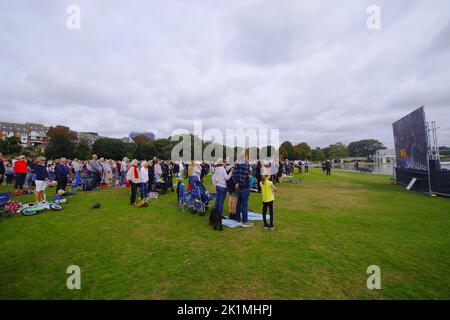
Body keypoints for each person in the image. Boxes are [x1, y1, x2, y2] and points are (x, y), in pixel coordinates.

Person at [232, 151, 252, 227]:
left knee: (238, 203)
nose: (247, 158)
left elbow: (234, 175)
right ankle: (245, 221)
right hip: (244, 187)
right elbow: (243, 177)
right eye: (246, 156)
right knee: (244, 205)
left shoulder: (236, 165)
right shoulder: (246, 165)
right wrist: (238, 183)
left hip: (238, 187)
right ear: (244, 157)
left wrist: (236, 183)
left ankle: (238, 219)